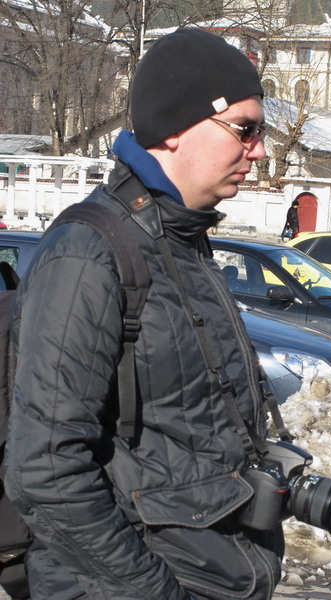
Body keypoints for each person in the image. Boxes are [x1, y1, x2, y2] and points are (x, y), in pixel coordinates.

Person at [5, 28, 283, 600]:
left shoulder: (183, 241)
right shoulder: (89, 253)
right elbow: (46, 470)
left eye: (262, 133)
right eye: (244, 129)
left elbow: (181, 435)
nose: (258, 151)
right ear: (175, 128)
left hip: (211, 573)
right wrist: (154, 591)